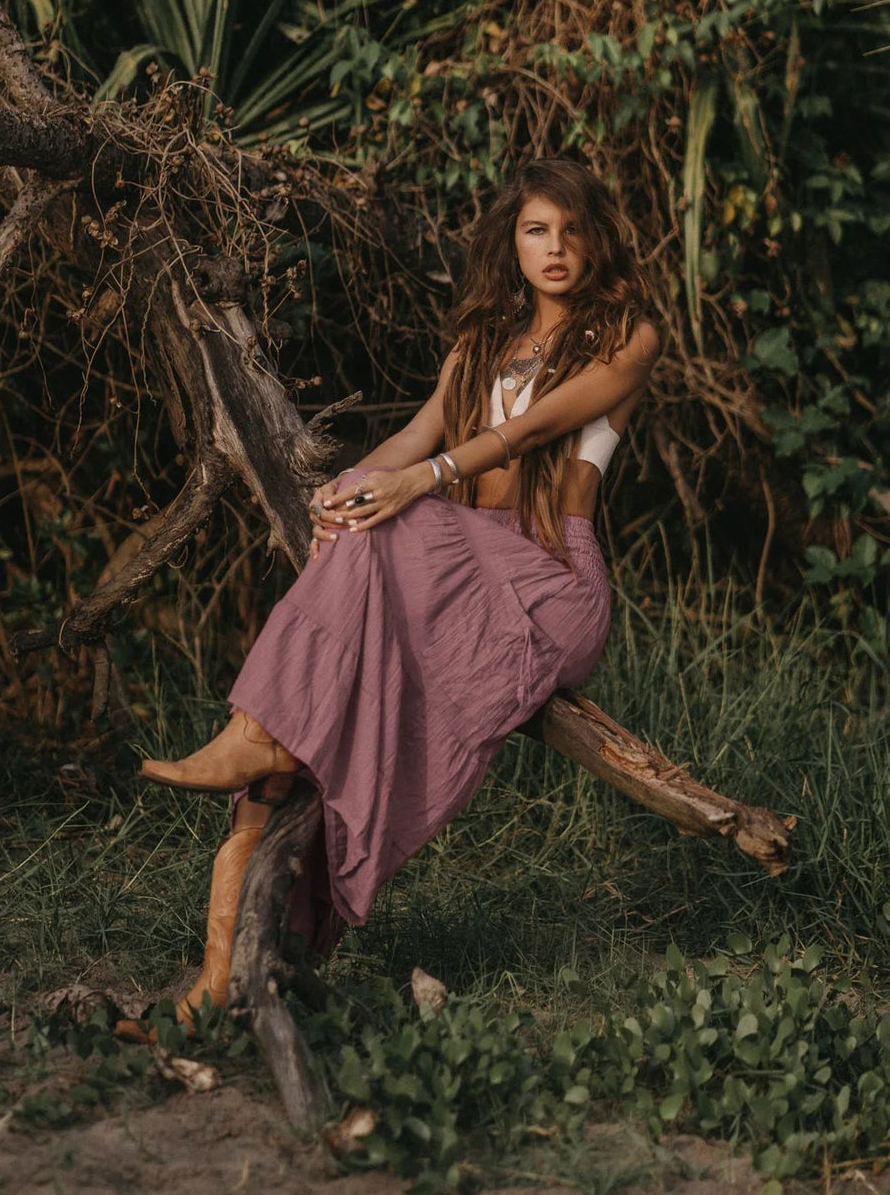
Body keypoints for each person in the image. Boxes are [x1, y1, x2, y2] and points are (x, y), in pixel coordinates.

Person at [128, 157, 660, 1032]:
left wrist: (423, 480)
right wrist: (341, 493)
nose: (556, 247)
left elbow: (530, 430)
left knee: (400, 521)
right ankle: (218, 972)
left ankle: (259, 732)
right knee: (358, 523)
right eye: (536, 230)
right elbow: (410, 438)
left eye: (572, 229)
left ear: (598, 238)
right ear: (512, 244)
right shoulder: (480, 347)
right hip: (458, 573)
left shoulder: (627, 340)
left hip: (547, 578)